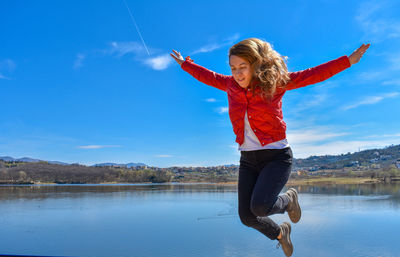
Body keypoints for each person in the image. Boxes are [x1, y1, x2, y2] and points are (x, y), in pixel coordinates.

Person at [170, 38, 369, 257]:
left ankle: (289, 199)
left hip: (276, 157)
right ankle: (281, 234)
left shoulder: (275, 83)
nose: (237, 73)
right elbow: (208, 76)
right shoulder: (230, 85)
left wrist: (347, 61)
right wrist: (185, 64)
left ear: (255, 65)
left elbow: (311, 75)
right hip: (248, 160)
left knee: (261, 207)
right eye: (233, 68)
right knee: (247, 217)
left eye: (242, 67)